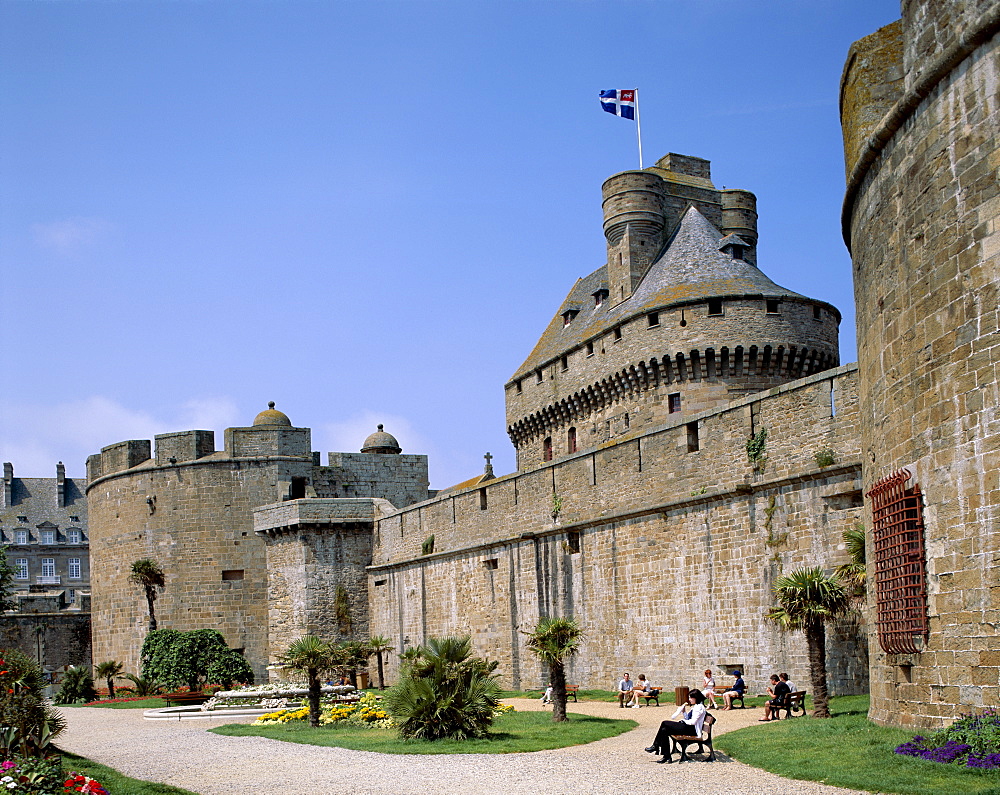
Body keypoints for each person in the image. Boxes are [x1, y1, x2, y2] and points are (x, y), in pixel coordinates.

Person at [644, 689, 707, 763]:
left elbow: (693, 722)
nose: (689, 700)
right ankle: (666, 756)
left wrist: (683, 721)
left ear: (696, 697)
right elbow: (689, 719)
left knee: (664, 723)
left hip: (692, 730)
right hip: (689, 727)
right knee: (664, 730)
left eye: (690, 698)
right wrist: (684, 712)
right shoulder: (696, 706)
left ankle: (656, 746)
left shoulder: (699, 707)